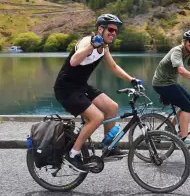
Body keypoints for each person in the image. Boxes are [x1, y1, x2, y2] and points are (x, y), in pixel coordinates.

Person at [54, 14, 141, 172]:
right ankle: (73, 154)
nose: (114, 33)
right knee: (97, 117)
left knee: (112, 107)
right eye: (111, 29)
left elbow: (113, 67)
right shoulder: (88, 41)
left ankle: (108, 147)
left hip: (81, 86)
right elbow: (74, 61)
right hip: (66, 88)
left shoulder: (104, 47)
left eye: (116, 31)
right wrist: (91, 46)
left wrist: (131, 79)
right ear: (100, 29)